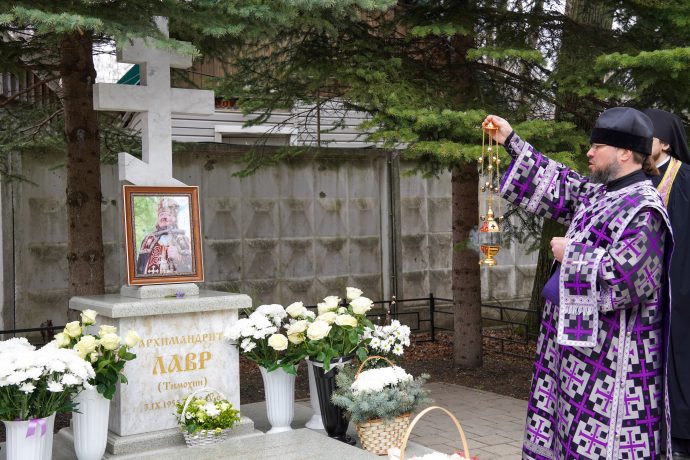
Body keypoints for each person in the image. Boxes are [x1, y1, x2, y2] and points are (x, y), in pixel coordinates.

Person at [485, 107, 674, 459]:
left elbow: (629, 281)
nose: (589, 152)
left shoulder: (645, 209)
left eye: (598, 146)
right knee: (564, 437)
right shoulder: (600, 193)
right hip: (574, 353)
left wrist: (571, 253)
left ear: (624, 152)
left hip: (612, 363)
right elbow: (559, 183)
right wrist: (510, 140)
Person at [643, 108, 690, 458]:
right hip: (645, 291)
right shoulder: (637, 180)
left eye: (649, 137)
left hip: (681, 288)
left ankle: (681, 437)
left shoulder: (685, 179)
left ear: (667, 144)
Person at [136, 197, 193, 275]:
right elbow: (139, 268)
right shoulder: (148, 240)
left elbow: (192, 268)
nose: (164, 217)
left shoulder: (183, 239)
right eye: (161, 214)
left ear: (174, 219)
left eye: (168, 215)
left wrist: (178, 257)